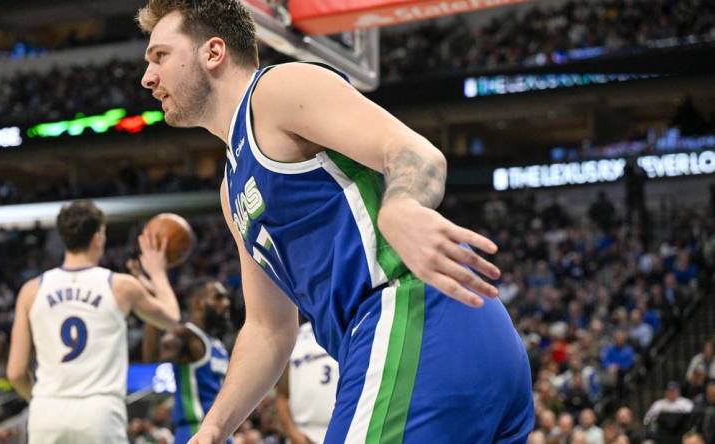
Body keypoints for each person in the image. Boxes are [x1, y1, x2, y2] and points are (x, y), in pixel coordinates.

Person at [136, 1, 533, 442]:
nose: (147, 77)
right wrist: (215, 426)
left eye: (160, 56)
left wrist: (401, 205)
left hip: (411, 312)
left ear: (213, 52)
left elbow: (415, 153)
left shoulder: (277, 90)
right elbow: (270, 328)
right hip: (459, 335)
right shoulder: (232, 190)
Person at [6, 200, 181, 443]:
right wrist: (158, 272)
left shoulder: (31, 290)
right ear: (98, 237)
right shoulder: (120, 286)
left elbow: (15, 373)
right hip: (99, 411)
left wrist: (38, 400)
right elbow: (172, 318)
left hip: (47, 412)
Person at [136, 271, 233, 444]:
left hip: (223, 431)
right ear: (198, 303)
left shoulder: (218, 345)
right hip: (196, 430)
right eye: (218, 298)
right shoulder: (185, 336)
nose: (226, 303)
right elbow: (151, 356)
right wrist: (153, 311)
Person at [275, 321, 339, 444]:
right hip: (304, 434)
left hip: (345, 430)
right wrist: (294, 435)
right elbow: (282, 396)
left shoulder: (351, 328)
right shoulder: (293, 337)